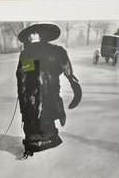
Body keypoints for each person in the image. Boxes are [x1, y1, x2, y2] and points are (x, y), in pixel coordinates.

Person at [16, 23, 80, 160]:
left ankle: (43, 144)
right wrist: (23, 95)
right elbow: (24, 75)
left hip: (44, 95)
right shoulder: (29, 53)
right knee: (35, 120)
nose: (31, 36)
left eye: (34, 33)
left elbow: (65, 69)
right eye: (29, 34)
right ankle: (32, 146)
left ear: (41, 35)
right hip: (38, 95)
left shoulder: (51, 51)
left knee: (43, 118)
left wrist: (74, 84)